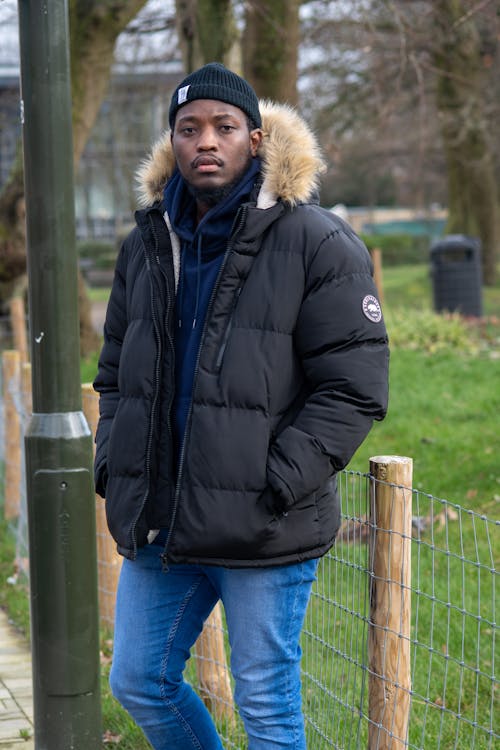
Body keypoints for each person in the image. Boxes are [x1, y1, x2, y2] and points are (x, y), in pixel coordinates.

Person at [93, 62, 389, 750]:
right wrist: (116, 461)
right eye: (189, 127)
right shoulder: (145, 246)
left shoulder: (316, 241)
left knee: (265, 701)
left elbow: (354, 386)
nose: (206, 140)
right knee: (138, 680)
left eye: (224, 127)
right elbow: (114, 372)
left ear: (254, 141)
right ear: (173, 141)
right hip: (161, 518)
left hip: (264, 525)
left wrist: (277, 480)